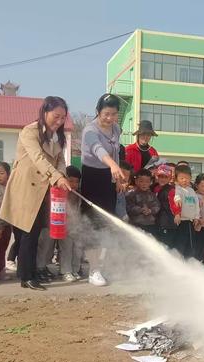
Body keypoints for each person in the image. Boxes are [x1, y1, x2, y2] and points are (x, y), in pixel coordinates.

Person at [0, 96, 70, 291]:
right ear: (44, 112)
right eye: (56, 116)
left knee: (36, 233)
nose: (59, 121)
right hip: (25, 190)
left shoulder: (57, 136)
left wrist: (62, 175)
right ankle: (26, 276)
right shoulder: (29, 131)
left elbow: (60, 160)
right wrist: (56, 177)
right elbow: (38, 158)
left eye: (63, 118)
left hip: (43, 191)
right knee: (26, 234)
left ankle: (31, 271)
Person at [80, 93, 125, 287]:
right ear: (98, 111)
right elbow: (99, 150)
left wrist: (117, 176)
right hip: (92, 177)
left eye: (114, 114)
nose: (110, 118)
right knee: (92, 225)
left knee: (107, 223)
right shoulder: (89, 130)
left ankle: (102, 266)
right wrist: (113, 166)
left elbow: (115, 151)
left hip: (108, 177)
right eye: (106, 114)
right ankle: (93, 270)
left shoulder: (116, 128)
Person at [59, 166, 83, 282]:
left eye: (76, 182)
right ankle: (66, 271)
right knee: (66, 249)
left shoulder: (79, 194)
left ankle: (75, 269)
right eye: (71, 181)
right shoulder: (60, 194)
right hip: (65, 228)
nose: (73, 184)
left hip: (77, 227)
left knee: (77, 249)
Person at [173, 164, 200, 258]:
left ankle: (189, 260)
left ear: (191, 178)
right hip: (181, 221)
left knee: (191, 242)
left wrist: (196, 217)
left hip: (190, 221)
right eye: (182, 178)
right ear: (176, 179)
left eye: (187, 178)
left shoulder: (192, 191)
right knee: (180, 243)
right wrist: (177, 199)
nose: (185, 180)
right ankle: (179, 261)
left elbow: (196, 204)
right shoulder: (178, 189)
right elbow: (176, 196)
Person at [126, 168, 160, 235]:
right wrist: (141, 210)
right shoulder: (131, 194)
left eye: (147, 182)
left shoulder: (152, 195)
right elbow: (129, 207)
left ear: (151, 182)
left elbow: (157, 206)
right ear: (136, 181)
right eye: (141, 181)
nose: (144, 184)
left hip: (150, 224)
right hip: (136, 224)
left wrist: (150, 210)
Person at [155, 164, 177, 248]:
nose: (163, 179)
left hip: (168, 223)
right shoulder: (154, 187)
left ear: (170, 178)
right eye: (160, 176)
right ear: (157, 176)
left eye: (165, 177)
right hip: (157, 222)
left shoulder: (171, 190)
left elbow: (175, 207)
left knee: (166, 245)